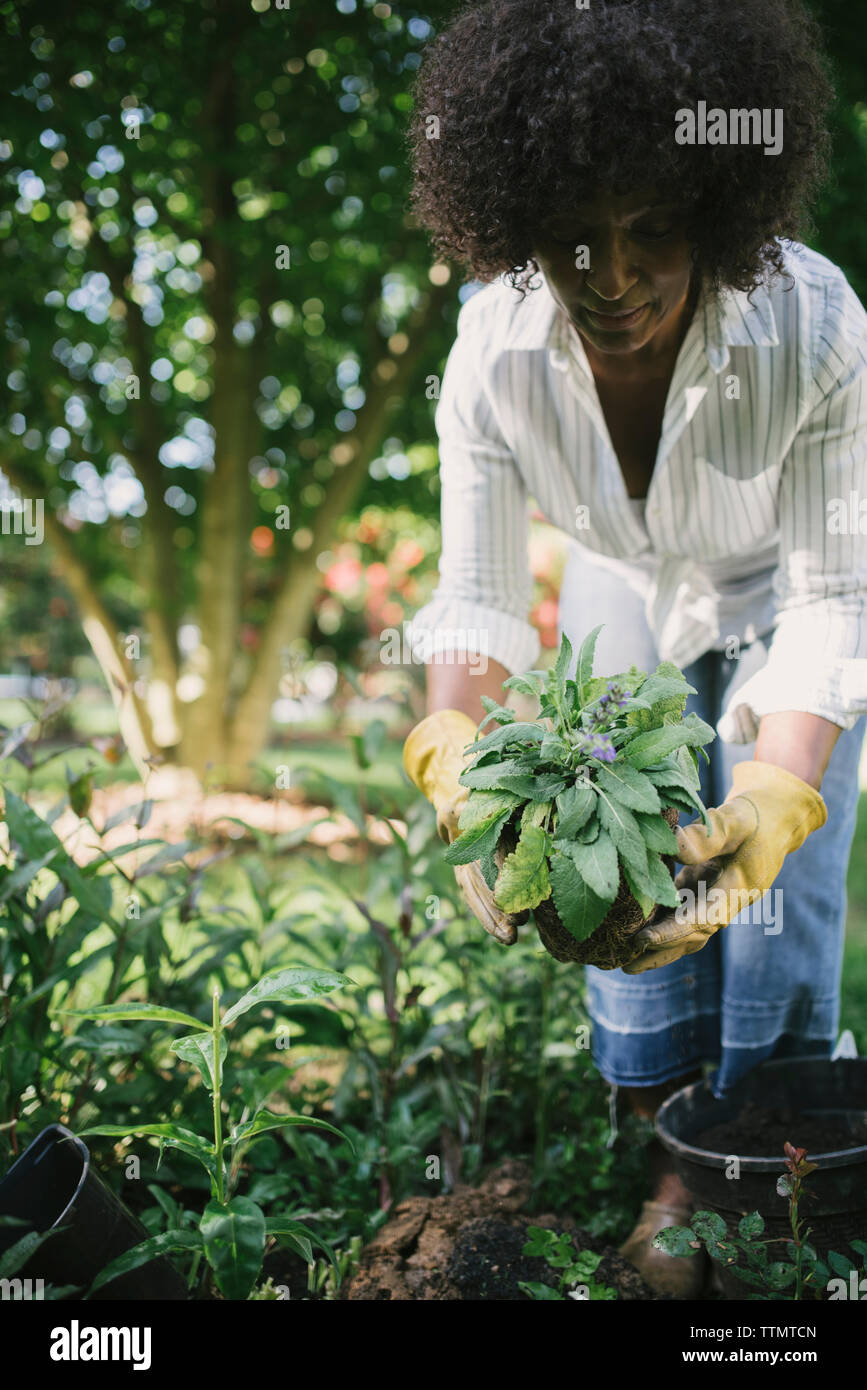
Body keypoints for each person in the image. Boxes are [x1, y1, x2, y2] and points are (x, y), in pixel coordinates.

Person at [400, 0, 867, 1297]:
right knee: (615, 849)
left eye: (654, 228)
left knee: (780, 892)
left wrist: (774, 793)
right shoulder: (492, 355)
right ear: (517, 229)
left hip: (787, 585)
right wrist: (462, 767)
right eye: (573, 239)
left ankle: (752, 1158)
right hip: (618, 569)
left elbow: (840, 591)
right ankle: (663, 1138)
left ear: (720, 213)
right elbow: (483, 598)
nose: (612, 275)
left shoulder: (815, 331)